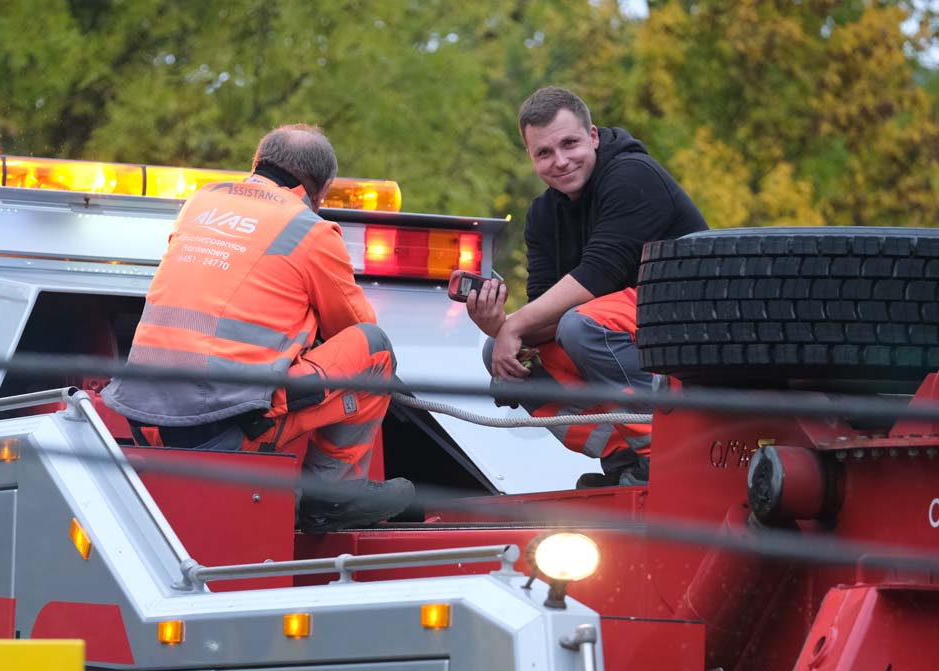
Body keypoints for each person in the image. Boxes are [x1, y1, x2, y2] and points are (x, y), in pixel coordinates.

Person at [102, 124, 413, 531]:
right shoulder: (310, 230)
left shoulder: (201, 203)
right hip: (224, 432)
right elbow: (352, 327)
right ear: (319, 190)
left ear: (256, 164)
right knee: (375, 350)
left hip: (147, 423)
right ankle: (332, 500)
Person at [467, 87, 708, 488]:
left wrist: (515, 324)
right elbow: (547, 311)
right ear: (531, 158)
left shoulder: (633, 175)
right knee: (504, 353)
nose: (560, 161)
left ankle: (668, 455)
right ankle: (623, 460)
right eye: (544, 153)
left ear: (593, 136)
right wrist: (500, 328)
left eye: (570, 143)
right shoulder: (543, 215)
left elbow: (599, 275)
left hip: (690, 322)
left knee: (582, 326)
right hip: (622, 330)